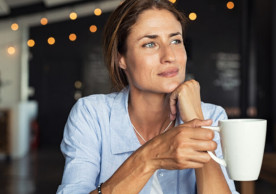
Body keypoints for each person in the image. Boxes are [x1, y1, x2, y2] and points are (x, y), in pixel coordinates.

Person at [57, 0, 238, 193]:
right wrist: (150, 156)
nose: (169, 56)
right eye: (150, 44)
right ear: (121, 58)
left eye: (175, 41)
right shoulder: (92, 115)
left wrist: (196, 119)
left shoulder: (213, 116)